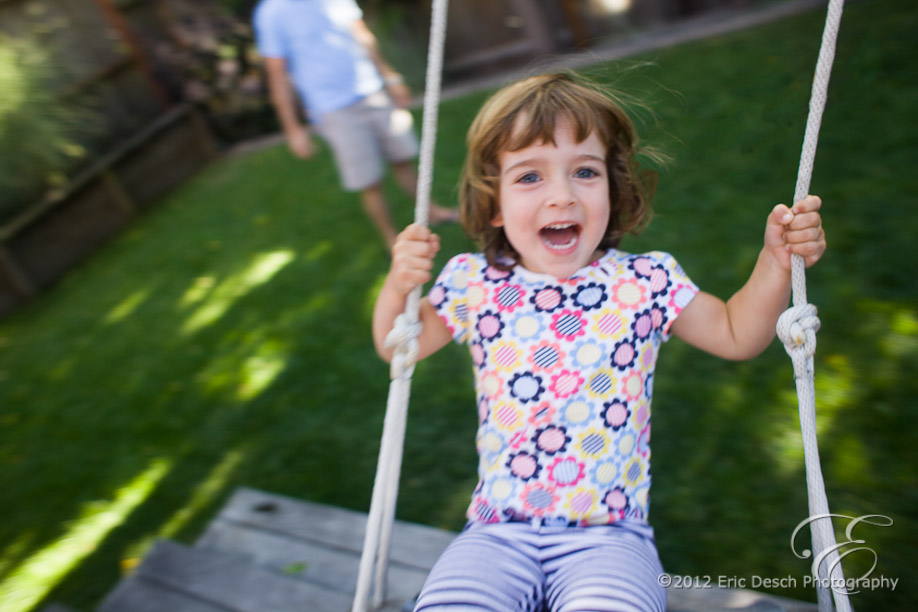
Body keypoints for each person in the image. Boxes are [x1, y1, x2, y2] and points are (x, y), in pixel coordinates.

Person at [372, 72, 827, 611]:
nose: (561, 195)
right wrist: (399, 283)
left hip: (608, 536)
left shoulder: (644, 283)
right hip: (495, 532)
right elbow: (400, 345)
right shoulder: (475, 282)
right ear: (493, 203)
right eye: (529, 177)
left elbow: (735, 334)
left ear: (613, 187)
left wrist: (775, 263)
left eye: (584, 172)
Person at [252, 0, 458, 250]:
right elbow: (277, 74)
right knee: (369, 181)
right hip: (333, 109)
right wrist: (293, 129)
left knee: (402, 159)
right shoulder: (271, 13)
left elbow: (362, 35)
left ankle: (432, 212)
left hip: (371, 91)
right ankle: (391, 241)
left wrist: (390, 77)